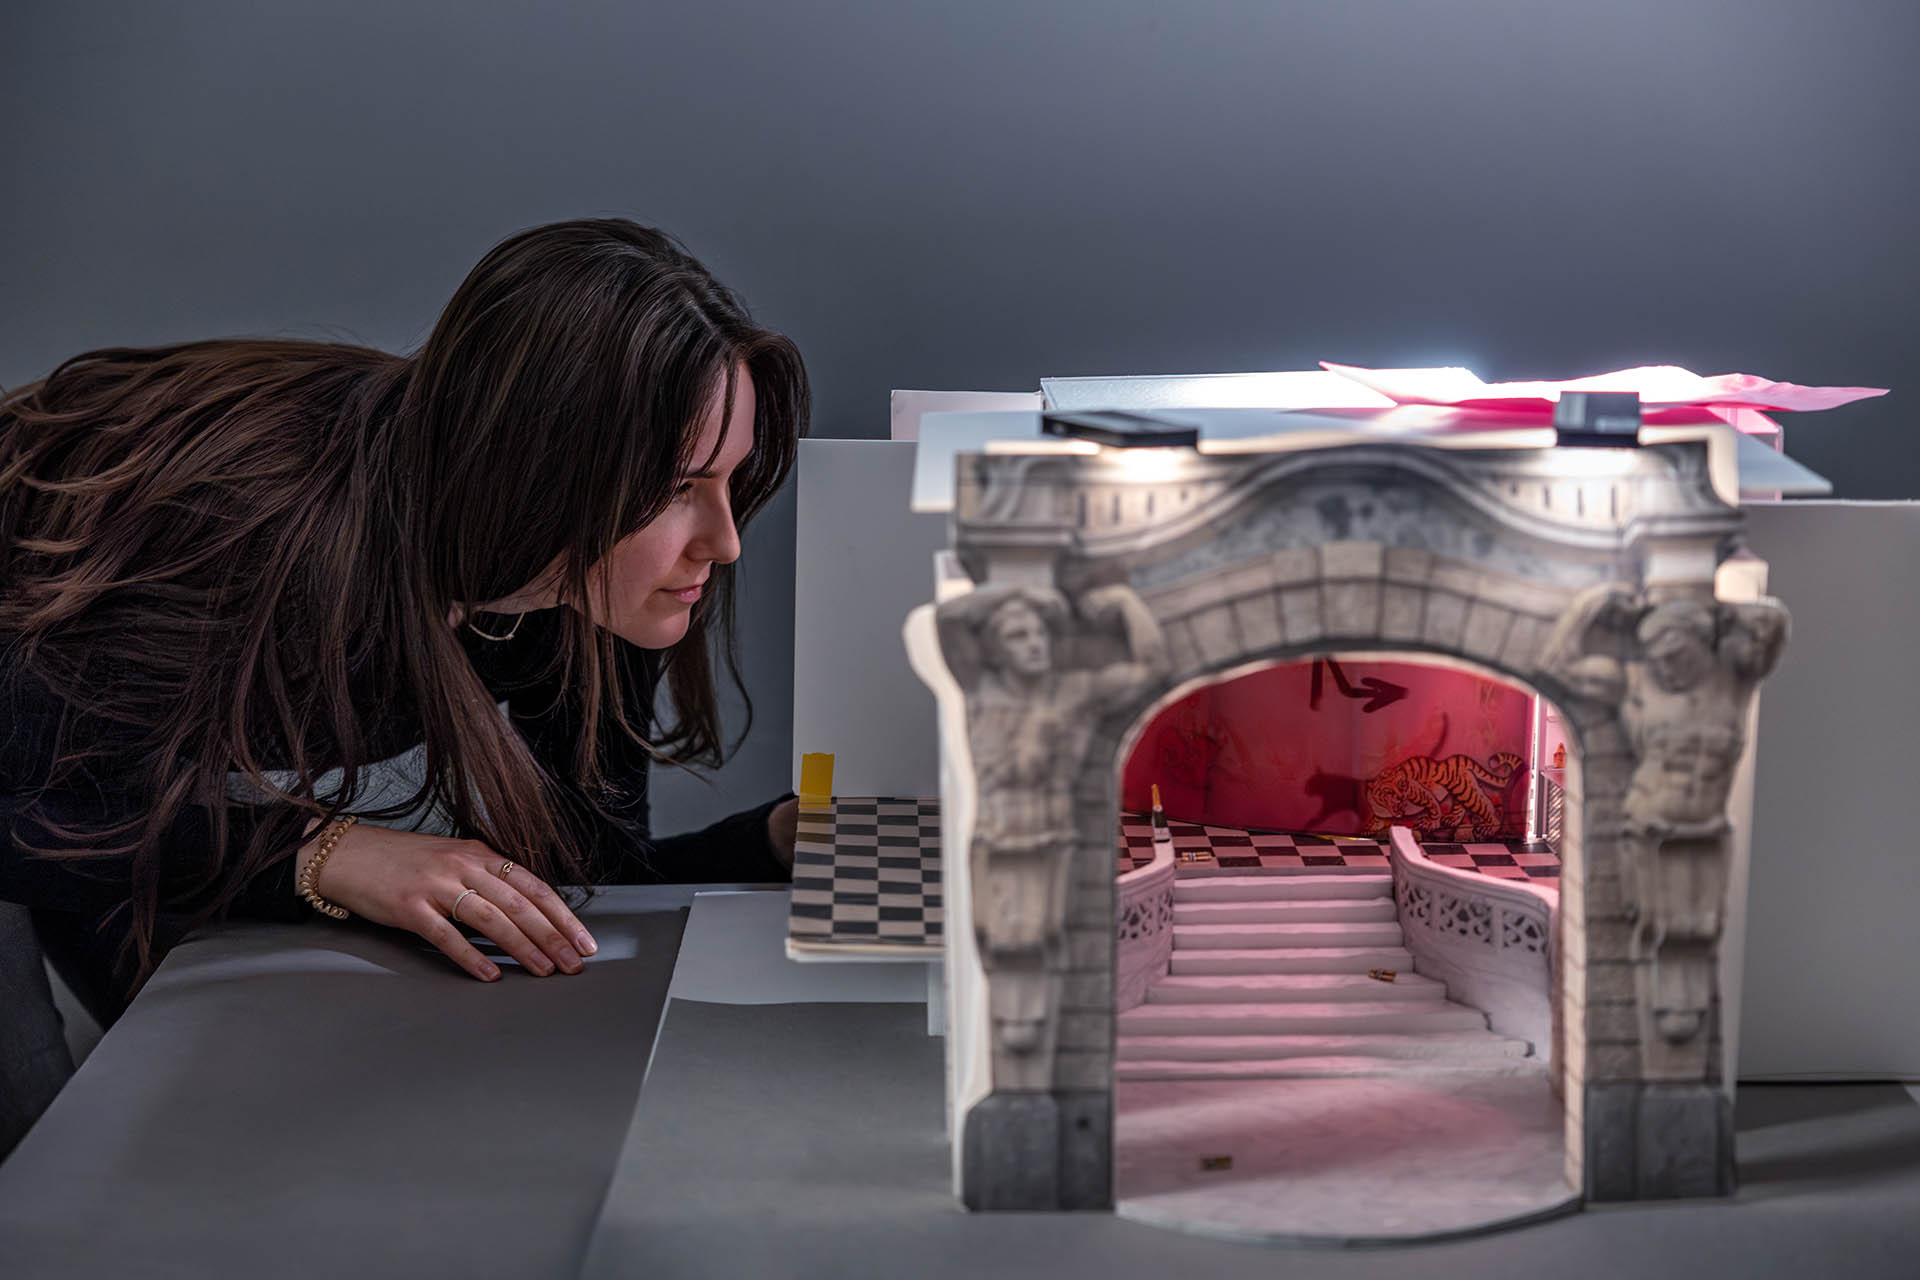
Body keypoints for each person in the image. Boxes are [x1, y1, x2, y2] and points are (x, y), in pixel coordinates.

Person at [0, 218, 806, 1029]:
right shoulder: (259, 539)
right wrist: (320, 852)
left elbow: (586, 888)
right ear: (547, 472)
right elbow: (29, 814)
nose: (726, 542)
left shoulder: (593, 587)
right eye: (677, 488)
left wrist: (772, 843)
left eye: (730, 480)